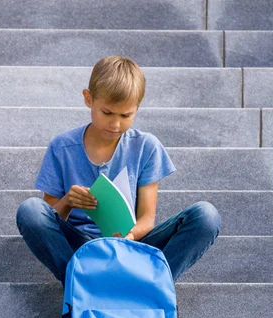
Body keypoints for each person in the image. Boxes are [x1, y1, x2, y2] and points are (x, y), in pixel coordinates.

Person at [16, 56, 221, 286]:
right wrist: (68, 202)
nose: (115, 125)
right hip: (80, 248)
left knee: (206, 215)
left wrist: (130, 236)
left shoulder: (145, 146)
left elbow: (146, 218)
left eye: (126, 116)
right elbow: (49, 218)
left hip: (132, 244)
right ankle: (80, 284)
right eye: (107, 113)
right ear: (88, 99)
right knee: (30, 210)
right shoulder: (62, 148)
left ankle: (152, 286)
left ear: (137, 109)